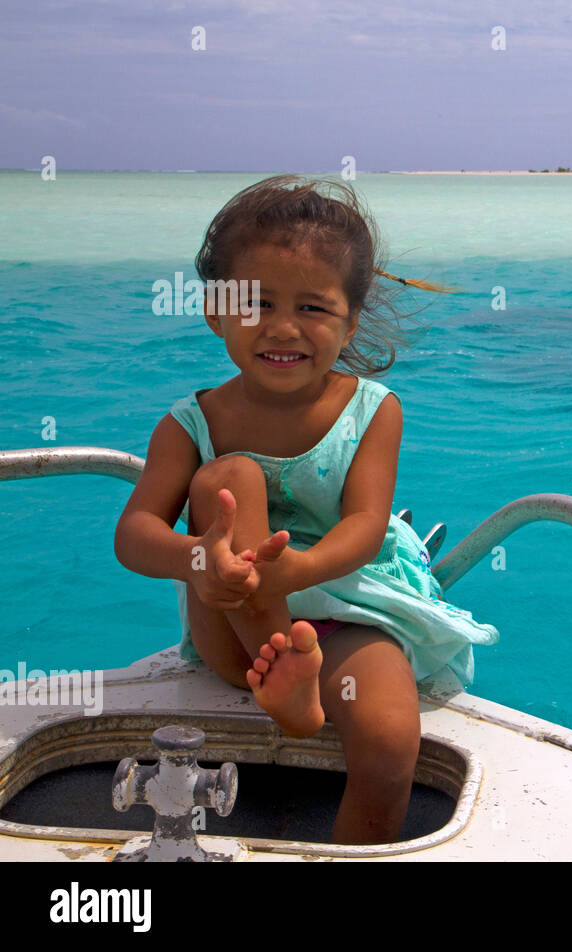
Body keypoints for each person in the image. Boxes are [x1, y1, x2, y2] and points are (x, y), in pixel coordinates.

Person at [114, 174, 499, 845]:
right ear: (216, 312)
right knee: (227, 477)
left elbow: (366, 525)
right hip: (237, 637)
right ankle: (288, 687)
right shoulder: (189, 424)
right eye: (256, 303)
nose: (283, 327)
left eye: (313, 309)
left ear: (349, 320)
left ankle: (324, 767)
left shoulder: (371, 411)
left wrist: (301, 569)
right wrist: (197, 556)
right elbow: (135, 534)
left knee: (388, 740)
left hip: (346, 611)